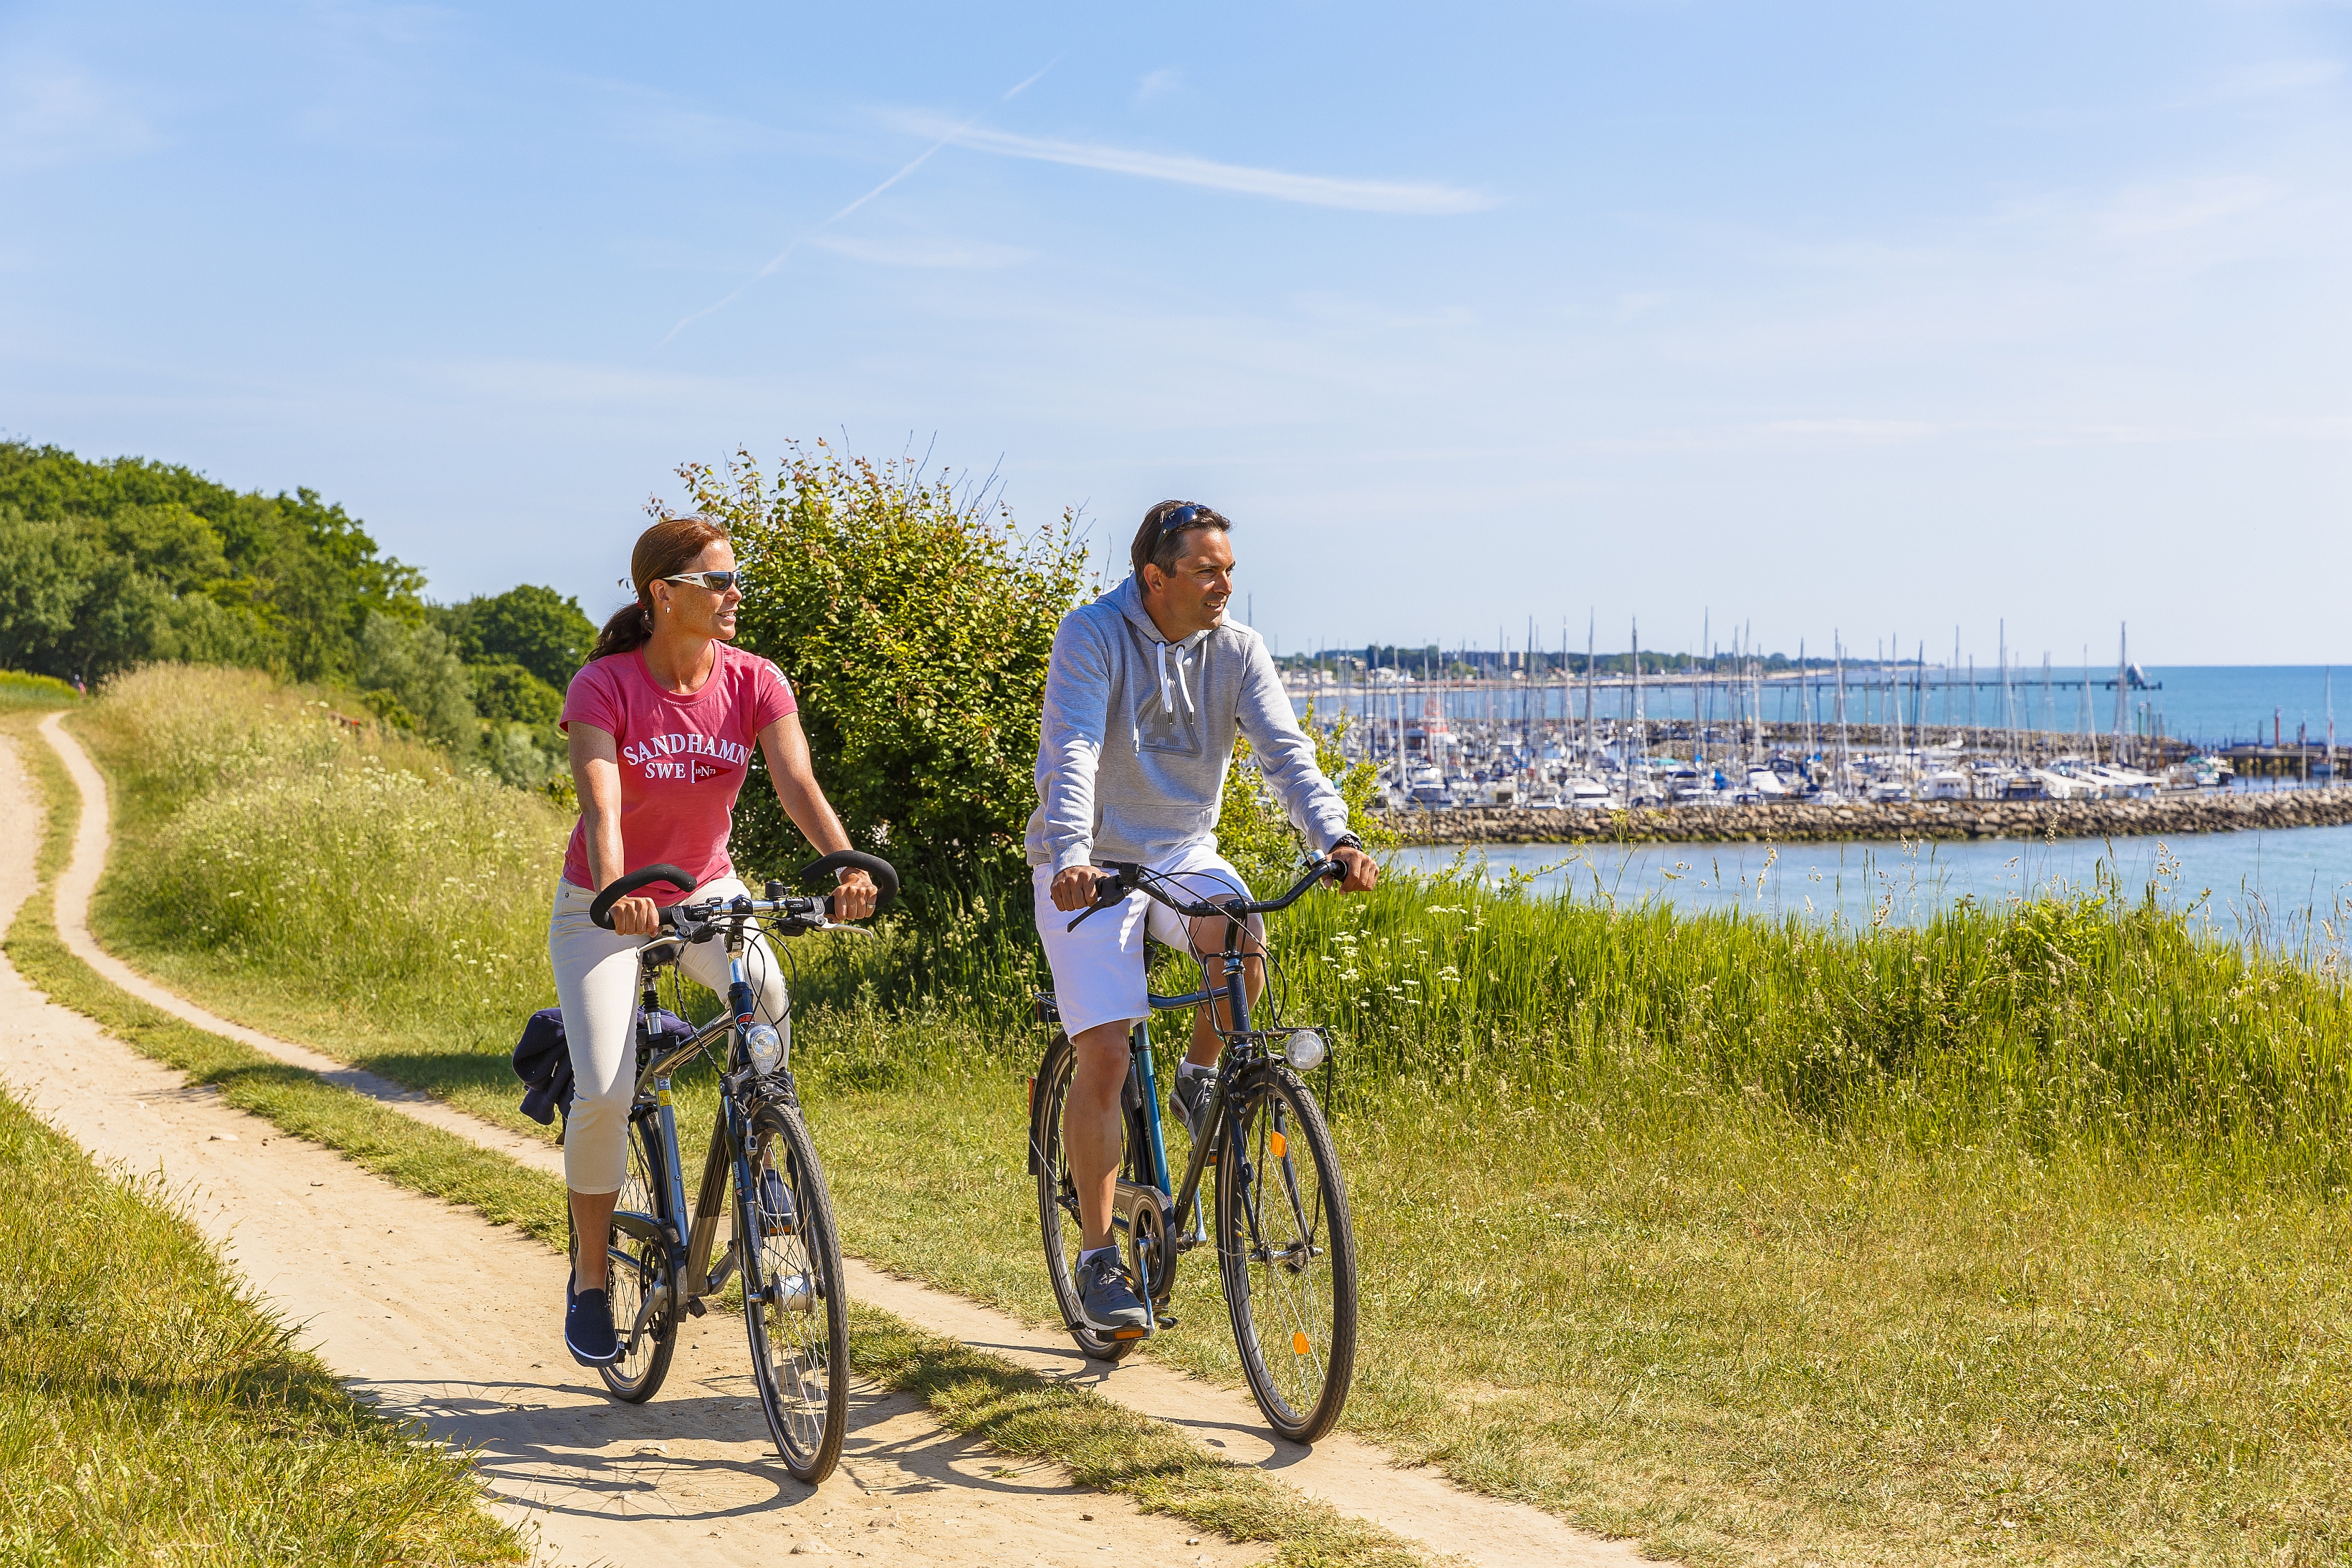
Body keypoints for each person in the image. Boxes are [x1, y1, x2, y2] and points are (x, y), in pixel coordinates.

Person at [1027, 500, 1377, 1334]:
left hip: (1181, 849)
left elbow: (1287, 755)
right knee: (1105, 1052)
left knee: (1242, 935)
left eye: (1229, 569)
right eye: (1208, 570)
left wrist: (1334, 836)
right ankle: (1099, 1255)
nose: (1226, 584)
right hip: (1089, 863)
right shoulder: (1091, 635)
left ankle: (1198, 1081)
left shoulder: (1238, 649)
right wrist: (1072, 851)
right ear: (1156, 577)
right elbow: (1073, 746)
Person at [550, 515, 877, 1367]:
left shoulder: (755, 680)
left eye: (737, 581)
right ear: (665, 594)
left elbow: (795, 781)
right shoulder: (604, 684)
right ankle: (590, 1279)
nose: (736, 596)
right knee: (605, 1087)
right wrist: (623, 892)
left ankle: (764, 1148)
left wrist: (842, 866)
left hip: (705, 885)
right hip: (605, 898)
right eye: (719, 582)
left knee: (764, 991)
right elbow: (601, 805)